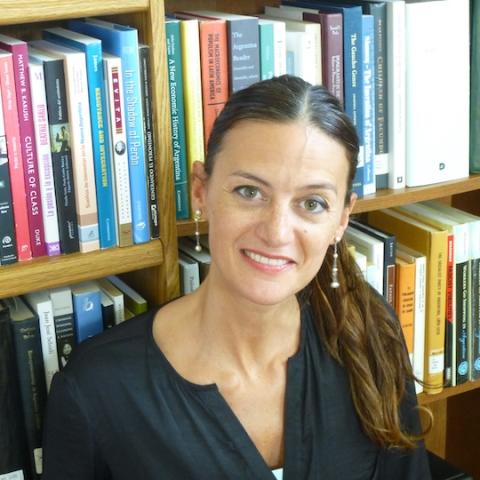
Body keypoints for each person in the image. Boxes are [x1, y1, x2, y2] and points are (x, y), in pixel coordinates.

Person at [42, 75, 431, 479]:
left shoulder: (369, 333)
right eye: (249, 192)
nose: (277, 231)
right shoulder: (95, 389)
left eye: (312, 203)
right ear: (201, 191)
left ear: (341, 219)